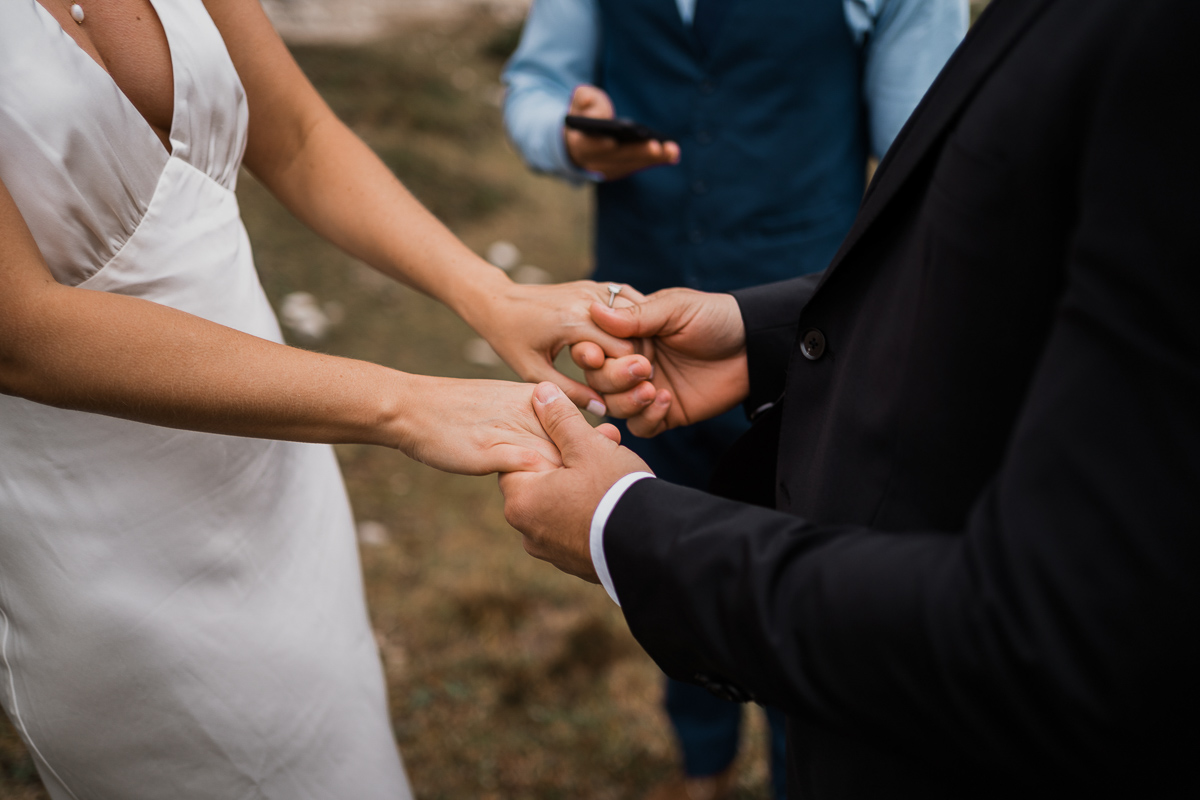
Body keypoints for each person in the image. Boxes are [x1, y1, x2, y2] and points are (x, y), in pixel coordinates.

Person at [500, 0, 1200, 796]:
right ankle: (703, 765)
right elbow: (535, 83)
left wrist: (615, 525)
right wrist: (758, 328)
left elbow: (941, 189)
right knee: (676, 541)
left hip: (844, 386)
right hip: (668, 342)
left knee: (795, 576)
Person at [0, 1, 634, 797]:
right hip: (104, 538)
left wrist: (490, 294)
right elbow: (20, 331)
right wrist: (403, 405)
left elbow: (296, 136)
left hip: (279, 470)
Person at [502, 1, 967, 795]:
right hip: (635, 343)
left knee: (809, 600)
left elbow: (934, 156)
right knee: (653, 554)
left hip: (814, 353)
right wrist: (567, 135)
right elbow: (537, 83)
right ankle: (701, 768)